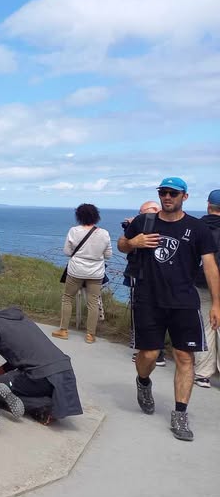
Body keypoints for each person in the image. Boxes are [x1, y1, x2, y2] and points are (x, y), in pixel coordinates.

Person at [119, 177, 220, 441]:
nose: (167, 197)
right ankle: (143, 382)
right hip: (148, 299)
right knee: (149, 355)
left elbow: (210, 266)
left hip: (184, 301)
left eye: (173, 193)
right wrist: (134, 242)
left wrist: (217, 304)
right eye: (163, 192)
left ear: (184, 197)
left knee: (185, 358)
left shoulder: (197, 228)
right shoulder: (144, 222)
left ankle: (180, 414)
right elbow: (121, 244)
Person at [0, 298, 83, 424]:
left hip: (42, 376)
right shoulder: (20, 319)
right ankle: (54, 400)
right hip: (64, 372)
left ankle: (44, 407)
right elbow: (17, 360)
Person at [52, 204, 112, 343]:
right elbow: (108, 255)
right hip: (96, 272)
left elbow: (67, 252)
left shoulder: (74, 231)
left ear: (79, 216)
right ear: (96, 216)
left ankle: (63, 330)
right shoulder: (104, 233)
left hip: (76, 270)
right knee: (93, 302)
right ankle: (90, 335)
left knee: (67, 298)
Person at [123, 201, 166, 366]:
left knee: (146, 314)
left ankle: (150, 352)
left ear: (155, 211)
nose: (140, 217)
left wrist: (134, 228)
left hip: (146, 278)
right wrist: (131, 229)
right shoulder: (145, 225)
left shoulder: (153, 227)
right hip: (147, 277)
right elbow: (126, 245)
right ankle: (154, 352)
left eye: (143, 213)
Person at [194, 189, 220, 388]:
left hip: (201, 282)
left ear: (208, 205)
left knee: (205, 326)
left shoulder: (196, 226)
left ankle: (203, 373)